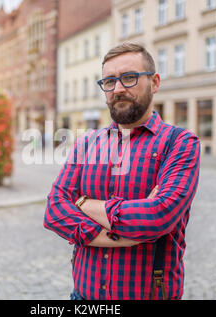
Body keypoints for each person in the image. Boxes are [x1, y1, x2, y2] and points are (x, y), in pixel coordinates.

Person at [44, 43, 200, 300]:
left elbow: (158, 216)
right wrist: (120, 237)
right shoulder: (87, 143)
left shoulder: (180, 143)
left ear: (155, 82)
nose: (117, 89)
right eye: (109, 81)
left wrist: (82, 203)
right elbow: (53, 210)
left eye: (129, 78)